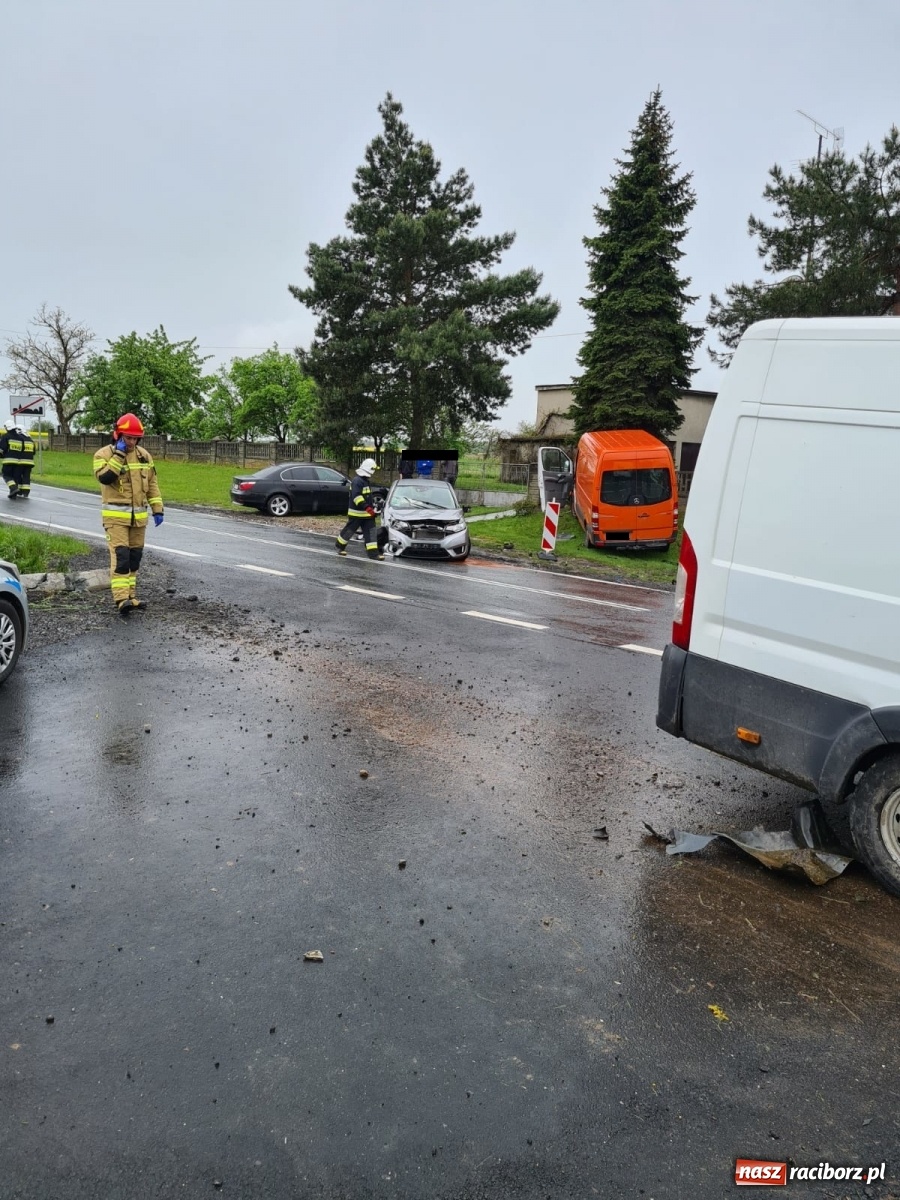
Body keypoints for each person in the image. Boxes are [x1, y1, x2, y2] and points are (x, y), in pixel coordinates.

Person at [92, 413, 164, 614]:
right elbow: (105, 478)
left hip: (139, 519)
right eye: (128, 437)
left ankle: (131, 596)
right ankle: (121, 598)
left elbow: (152, 484)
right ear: (118, 434)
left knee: (134, 558)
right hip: (115, 519)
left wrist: (158, 509)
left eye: (135, 438)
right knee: (121, 557)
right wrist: (119, 455)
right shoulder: (102, 455)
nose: (132, 442)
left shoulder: (144, 456)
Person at [335, 458, 383, 560]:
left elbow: (367, 498)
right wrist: (368, 508)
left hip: (367, 515)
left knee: (371, 533)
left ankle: (373, 554)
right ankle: (340, 545)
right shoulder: (357, 481)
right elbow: (357, 497)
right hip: (356, 514)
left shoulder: (365, 481)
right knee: (349, 531)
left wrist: (373, 507)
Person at [1, 425, 35, 499]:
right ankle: (25, 492)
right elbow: (34, 452)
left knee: (16, 476)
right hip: (30, 462)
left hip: (19, 461)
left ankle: (16, 489)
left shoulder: (18, 438)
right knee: (26, 476)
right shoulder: (30, 440)